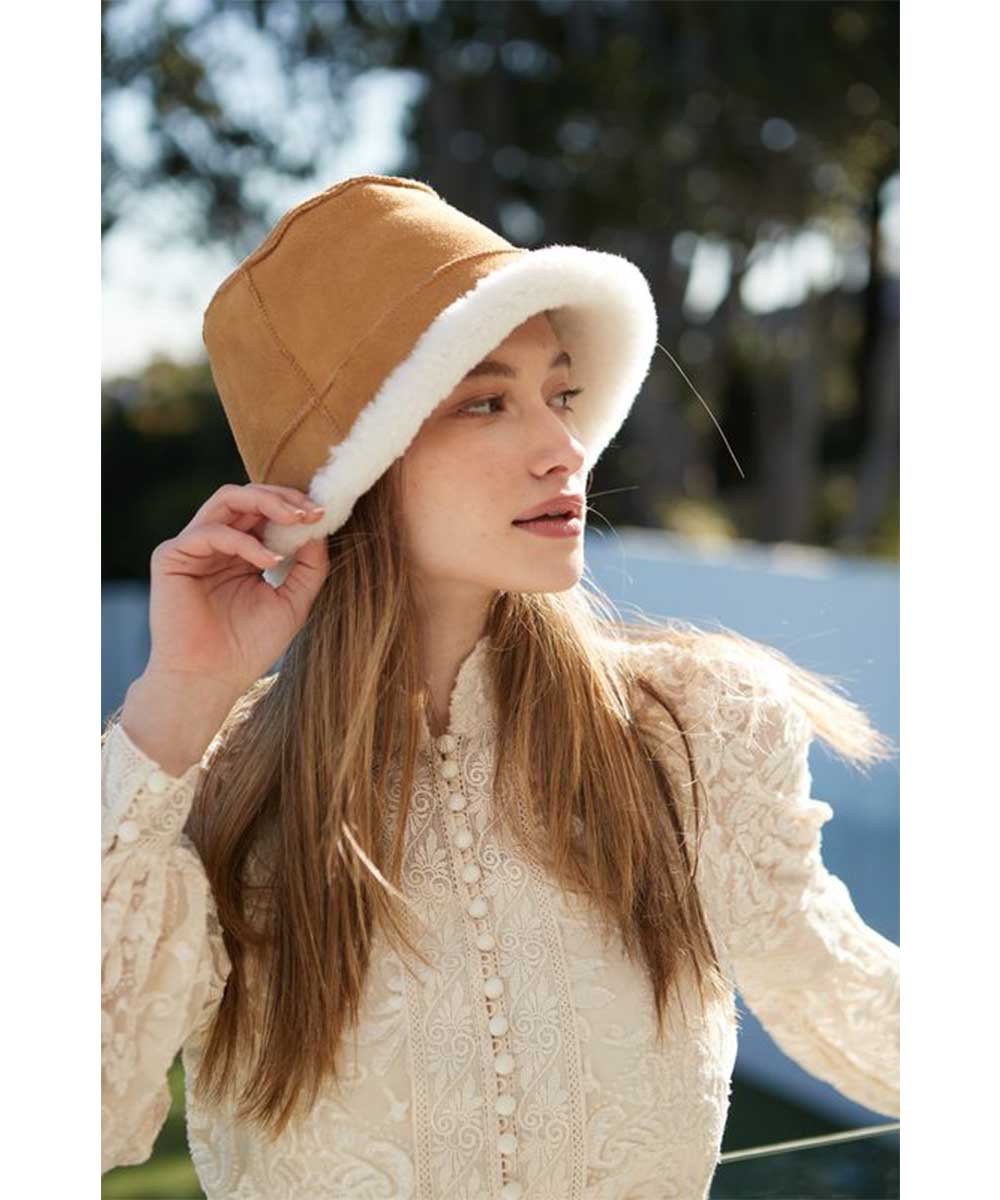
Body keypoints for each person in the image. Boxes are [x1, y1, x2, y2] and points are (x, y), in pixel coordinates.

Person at [101, 175, 899, 1199]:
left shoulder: (696, 729)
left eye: (560, 395)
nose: (566, 449)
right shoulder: (196, 795)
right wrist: (181, 694)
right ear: (353, 469)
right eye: (485, 401)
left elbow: (844, 996)